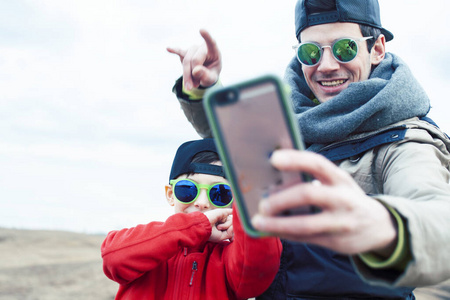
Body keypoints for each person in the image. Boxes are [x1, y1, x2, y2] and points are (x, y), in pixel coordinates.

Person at [167, 0, 450, 299]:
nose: (327, 65)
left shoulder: (404, 142)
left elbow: (438, 219)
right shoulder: (286, 124)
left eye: (345, 49)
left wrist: (387, 226)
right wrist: (203, 90)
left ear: (377, 48)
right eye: (311, 52)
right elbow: (236, 143)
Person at [101, 138, 282, 300]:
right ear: (170, 194)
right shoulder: (147, 243)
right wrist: (197, 225)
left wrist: (245, 223)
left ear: (234, 202)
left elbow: (258, 268)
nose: (202, 203)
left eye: (220, 193)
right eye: (188, 189)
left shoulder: (229, 257)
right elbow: (113, 258)